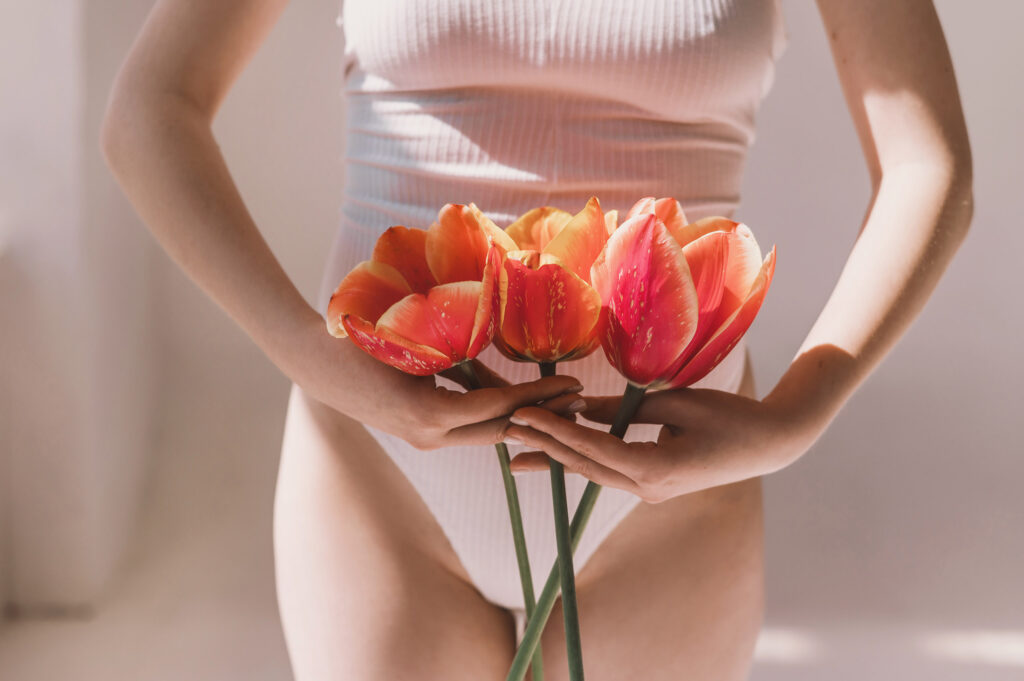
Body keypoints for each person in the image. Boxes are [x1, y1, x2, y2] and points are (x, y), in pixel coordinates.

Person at [100, 0, 973, 678]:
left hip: (669, 494)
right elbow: (148, 109)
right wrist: (318, 364)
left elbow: (928, 165)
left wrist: (797, 415)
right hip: (380, 472)